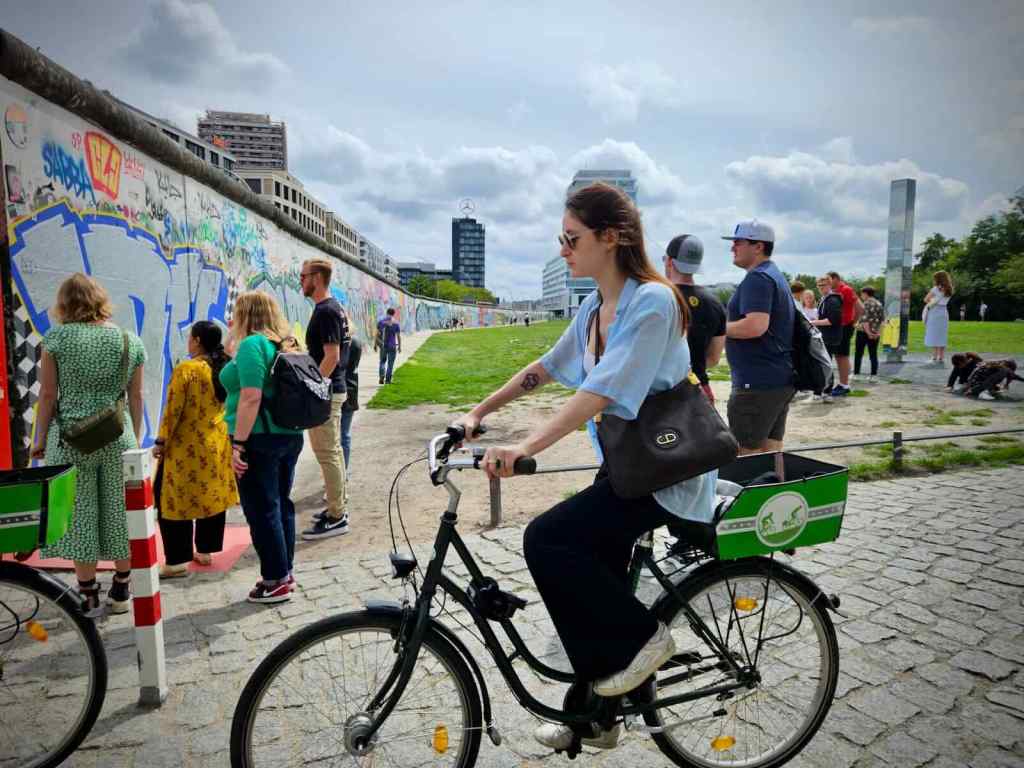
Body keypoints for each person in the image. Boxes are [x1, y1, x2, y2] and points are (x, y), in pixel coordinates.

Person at [454, 182, 716, 752]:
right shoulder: (596, 307)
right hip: (629, 468)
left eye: (571, 239)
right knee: (591, 588)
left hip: (668, 468)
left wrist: (527, 446)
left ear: (611, 237)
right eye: (561, 239)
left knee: (548, 540)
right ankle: (596, 719)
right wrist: (478, 412)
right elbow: (545, 368)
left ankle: (646, 639)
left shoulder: (653, 301)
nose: (564, 249)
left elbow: (601, 390)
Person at [30, 273, 146, 617]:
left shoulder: (56, 339)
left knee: (81, 516)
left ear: (65, 304)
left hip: (71, 441)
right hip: (117, 438)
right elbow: (136, 396)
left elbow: (49, 395)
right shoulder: (129, 340)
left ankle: (88, 595)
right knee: (118, 513)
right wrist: (134, 440)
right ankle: (122, 587)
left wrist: (38, 440)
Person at [221, 291, 304, 604]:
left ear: (245, 314)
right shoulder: (285, 342)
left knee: (261, 508)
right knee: (280, 504)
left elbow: (251, 396)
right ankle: (284, 572)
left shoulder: (253, 345)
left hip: (258, 437)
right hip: (287, 435)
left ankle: (274, 579)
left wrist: (238, 445)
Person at [152, 321, 237, 577]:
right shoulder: (224, 366)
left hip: (186, 449)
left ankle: (177, 561)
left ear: (197, 340)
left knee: (171, 501)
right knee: (210, 496)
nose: (188, 341)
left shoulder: (186, 370)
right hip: (216, 444)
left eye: (190, 337)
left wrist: (161, 441)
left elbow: (173, 410)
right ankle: (205, 550)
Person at [723, 220, 796, 453]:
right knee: (772, 453)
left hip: (755, 383)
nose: (732, 247)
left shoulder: (758, 278)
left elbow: (755, 326)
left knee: (746, 456)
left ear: (758, 246)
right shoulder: (774, 274)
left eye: (738, 242)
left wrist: (716, 329)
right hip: (777, 378)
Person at [299, 258, 352, 540]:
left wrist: (313, 388)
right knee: (333, 451)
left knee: (327, 452)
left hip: (328, 392)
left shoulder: (326, 310)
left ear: (316, 278)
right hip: (333, 389)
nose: (300, 281)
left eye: (303, 276)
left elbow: (331, 357)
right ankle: (337, 507)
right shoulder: (332, 309)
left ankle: (336, 516)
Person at [663, 233, 726, 402]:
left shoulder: (660, 297)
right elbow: (713, 359)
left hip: (664, 393)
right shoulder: (714, 302)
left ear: (669, 261)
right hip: (700, 391)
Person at [827, 271, 862, 396]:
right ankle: (843, 384)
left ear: (836, 279)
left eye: (829, 280)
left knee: (842, 356)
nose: (828, 283)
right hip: (839, 327)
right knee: (839, 355)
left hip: (844, 326)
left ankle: (844, 385)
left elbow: (860, 308)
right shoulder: (839, 290)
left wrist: (852, 323)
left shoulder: (846, 289)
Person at [810, 277, 842, 403]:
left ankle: (825, 392)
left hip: (829, 337)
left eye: (823, 285)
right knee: (823, 364)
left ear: (830, 285)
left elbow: (831, 321)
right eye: (818, 285)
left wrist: (811, 322)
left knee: (824, 364)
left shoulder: (833, 300)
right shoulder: (824, 299)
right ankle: (822, 392)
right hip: (824, 336)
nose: (821, 287)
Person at [340, 337, 362, 478]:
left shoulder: (344, 344)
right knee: (344, 435)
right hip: (351, 390)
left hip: (340, 391)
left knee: (337, 437)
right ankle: (343, 472)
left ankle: (339, 474)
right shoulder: (356, 343)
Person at [854, 286, 885, 383]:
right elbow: (882, 321)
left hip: (863, 332)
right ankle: (873, 375)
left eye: (862, 294)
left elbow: (865, 321)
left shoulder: (866, 304)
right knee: (873, 354)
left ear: (866, 294)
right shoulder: (879, 304)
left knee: (859, 353)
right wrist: (878, 333)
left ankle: (856, 374)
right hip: (875, 332)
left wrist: (868, 333)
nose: (861, 296)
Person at [924, 271, 954, 365]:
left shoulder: (936, 289)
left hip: (935, 312)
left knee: (934, 334)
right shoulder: (949, 288)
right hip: (944, 312)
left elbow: (926, 299)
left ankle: (934, 357)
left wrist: (932, 300)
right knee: (942, 334)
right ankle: (941, 357)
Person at [376, 308, 401, 384]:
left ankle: (381, 376)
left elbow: (377, 334)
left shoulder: (381, 322)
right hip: (392, 346)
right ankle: (387, 380)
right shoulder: (396, 323)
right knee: (390, 364)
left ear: (387, 312)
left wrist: (375, 344)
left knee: (382, 362)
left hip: (383, 345)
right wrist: (399, 346)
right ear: (394, 314)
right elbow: (398, 336)